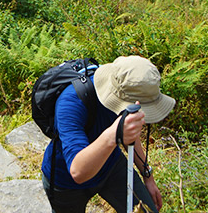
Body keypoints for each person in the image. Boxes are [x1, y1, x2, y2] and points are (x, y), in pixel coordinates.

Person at [42, 55, 175, 213]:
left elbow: (129, 133)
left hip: (110, 167)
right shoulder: (71, 102)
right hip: (66, 181)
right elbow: (77, 172)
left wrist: (148, 176)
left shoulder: (124, 87)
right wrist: (113, 134)